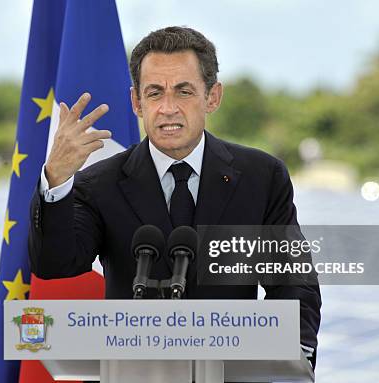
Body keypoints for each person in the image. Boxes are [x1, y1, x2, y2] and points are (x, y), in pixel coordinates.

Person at [28, 26, 321, 366]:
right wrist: (57, 178)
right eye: (154, 93)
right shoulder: (98, 184)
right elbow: (54, 264)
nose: (168, 108)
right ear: (137, 102)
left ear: (212, 97)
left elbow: (293, 282)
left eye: (183, 92)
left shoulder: (262, 177)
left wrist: (288, 358)